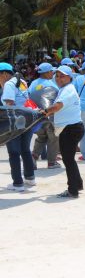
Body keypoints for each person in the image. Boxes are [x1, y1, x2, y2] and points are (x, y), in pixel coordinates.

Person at [40, 66, 84, 198]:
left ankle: (72, 190)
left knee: (68, 160)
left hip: (70, 129)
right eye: (57, 76)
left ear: (70, 77)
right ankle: (78, 184)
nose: (59, 78)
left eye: (62, 76)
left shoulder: (68, 90)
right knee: (69, 159)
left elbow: (57, 106)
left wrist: (45, 112)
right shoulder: (64, 89)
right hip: (71, 128)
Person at [0, 62, 36, 192]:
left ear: (4, 74)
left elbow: (9, 104)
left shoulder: (9, 85)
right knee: (25, 149)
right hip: (26, 119)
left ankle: (18, 183)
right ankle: (30, 178)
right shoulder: (21, 81)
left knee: (13, 152)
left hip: (15, 121)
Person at [29, 63, 61, 169]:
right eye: (52, 71)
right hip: (48, 116)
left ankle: (33, 158)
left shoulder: (33, 83)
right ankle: (52, 162)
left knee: (42, 137)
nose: (53, 73)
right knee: (54, 138)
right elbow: (59, 98)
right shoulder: (51, 84)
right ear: (47, 73)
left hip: (35, 117)